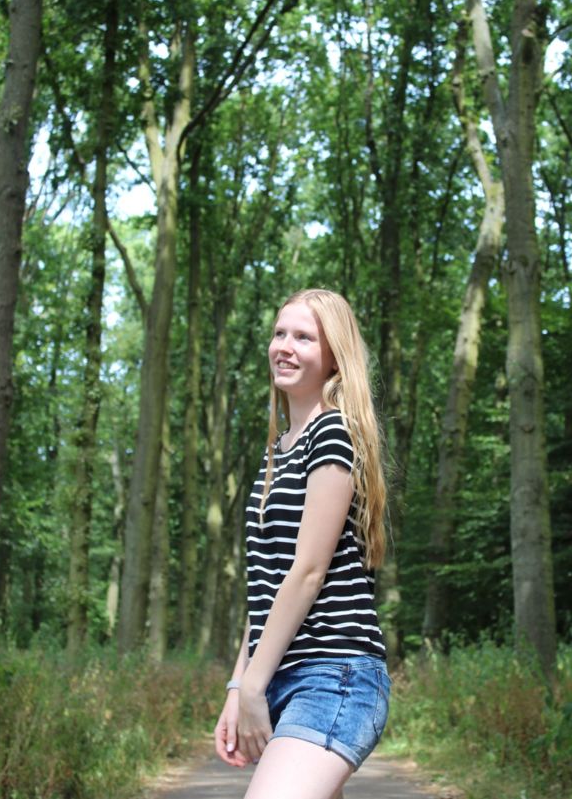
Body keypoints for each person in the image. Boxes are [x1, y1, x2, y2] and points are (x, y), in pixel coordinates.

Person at [214, 288, 390, 799]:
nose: (284, 347)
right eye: (279, 333)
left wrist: (253, 685)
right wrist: (239, 686)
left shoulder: (331, 433)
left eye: (304, 337)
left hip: (335, 676)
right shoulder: (278, 449)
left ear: (335, 357)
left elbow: (308, 572)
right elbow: (267, 586)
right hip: (285, 675)